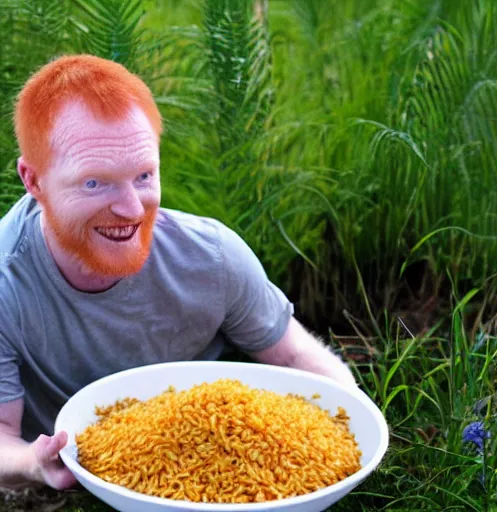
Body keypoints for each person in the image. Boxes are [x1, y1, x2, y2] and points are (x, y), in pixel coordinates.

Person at [0, 54, 357, 491]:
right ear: (33, 181)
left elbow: (293, 355)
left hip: (220, 469)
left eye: (144, 175)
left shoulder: (212, 257)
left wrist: (353, 421)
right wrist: (33, 464)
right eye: (95, 182)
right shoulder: (5, 281)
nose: (132, 210)